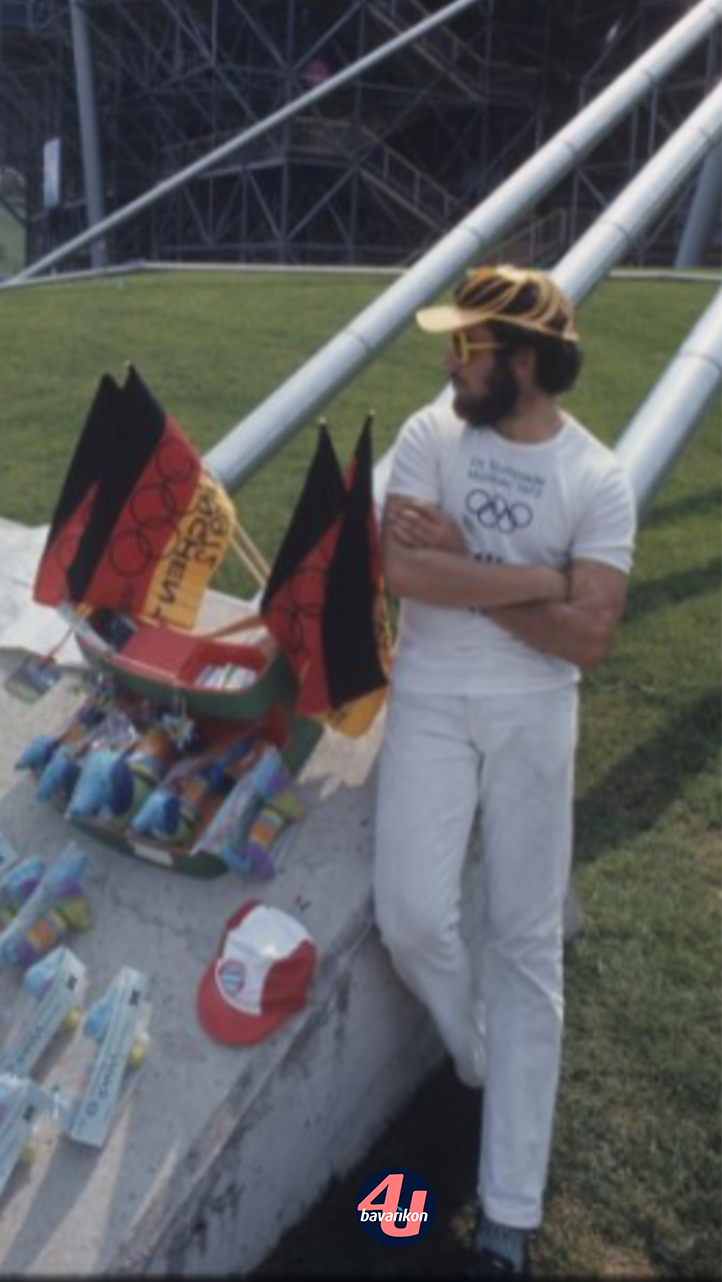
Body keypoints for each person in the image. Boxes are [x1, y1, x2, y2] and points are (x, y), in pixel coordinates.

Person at [373, 264, 637, 1277]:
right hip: (433, 698)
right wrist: (535, 575)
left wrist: (470, 569)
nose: (451, 361)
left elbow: (591, 636)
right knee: (412, 916)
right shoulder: (430, 431)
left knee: (526, 943)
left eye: (468, 345)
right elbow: (406, 572)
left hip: (537, 715)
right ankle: (478, 1053)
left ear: (521, 361)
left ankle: (509, 1217)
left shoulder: (596, 478)